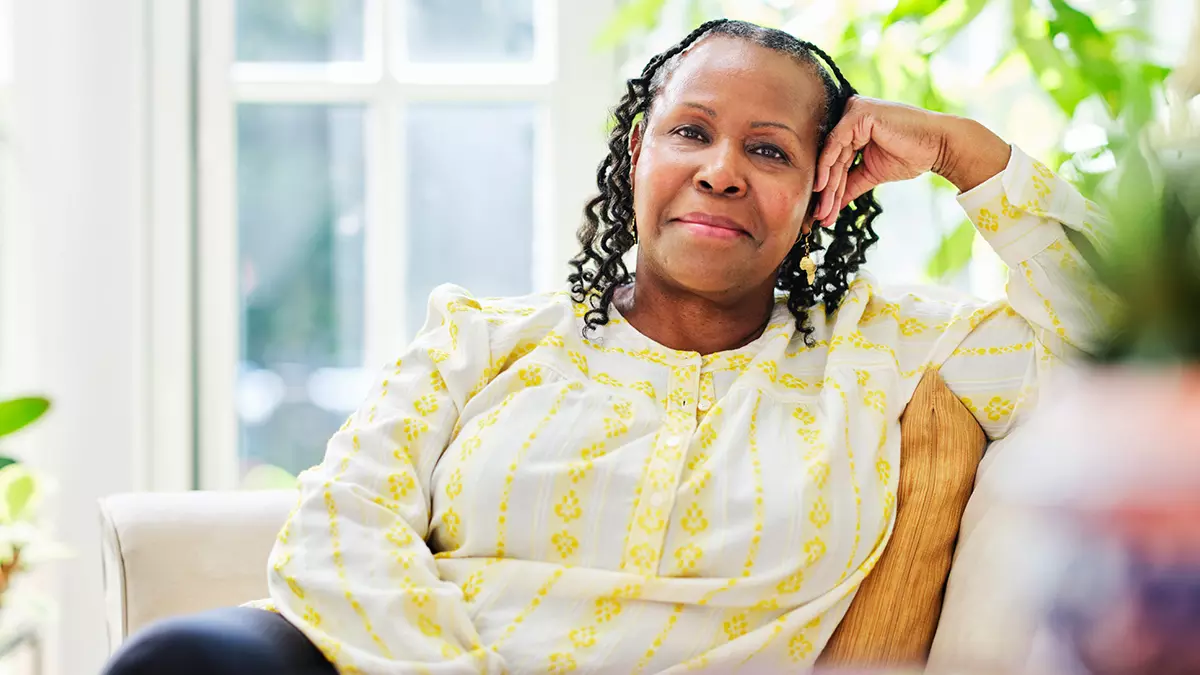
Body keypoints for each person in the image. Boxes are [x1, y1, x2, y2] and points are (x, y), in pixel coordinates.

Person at [103, 18, 1115, 675]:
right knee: (184, 660)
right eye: (691, 133)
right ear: (637, 155)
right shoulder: (482, 338)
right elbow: (339, 528)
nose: (722, 172)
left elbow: (1128, 347)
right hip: (416, 666)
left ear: (823, 191)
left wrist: (962, 152)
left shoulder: (889, 356)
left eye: (768, 150)